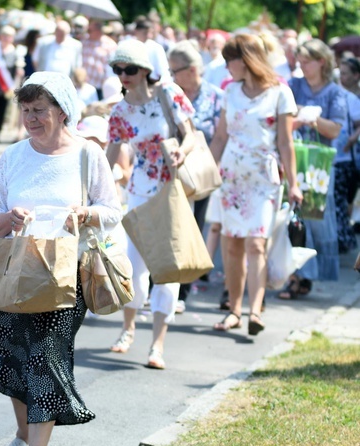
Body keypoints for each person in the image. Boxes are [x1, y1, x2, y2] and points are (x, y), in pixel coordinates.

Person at [0, 71, 122, 446]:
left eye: (39, 110)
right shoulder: (13, 156)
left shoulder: (87, 156)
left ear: (62, 111)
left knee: (45, 359)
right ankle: (23, 434)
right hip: (12, 268)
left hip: (65, 274)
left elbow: (112, 211)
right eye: (25, 110)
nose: (31, 118)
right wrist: (7, 219)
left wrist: (85, 213)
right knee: (8, 356)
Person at [106, 39, 196, 369]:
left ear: (146, 70)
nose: (123, 75)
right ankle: (128, 329)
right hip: (140, 193)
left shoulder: (169, 94)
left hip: (172, 192)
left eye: (129, 69)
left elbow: (190, 134)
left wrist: (181, 152)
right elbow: (110, 155)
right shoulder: (120, 111)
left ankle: (157, 345)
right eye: (118, 69)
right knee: (132, 268)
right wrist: (99, 193)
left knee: (167, 272)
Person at [208, 34, 301, 333]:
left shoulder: (280, 93)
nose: (226, 68)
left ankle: (256, 311)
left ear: (244, 59)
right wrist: (208, 171)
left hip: (263, 177)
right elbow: (220, 137)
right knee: (231, 244)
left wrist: (295, 183)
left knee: (256, 243)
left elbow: (286, 143)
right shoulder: (230, 92)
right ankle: (235, 309)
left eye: (228, 61)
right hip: (231, 176)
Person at [278, 39, 345, 299]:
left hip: (320, 167)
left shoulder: (334, 92)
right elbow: (282, 120)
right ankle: (296, 277)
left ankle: (309, 276)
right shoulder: (293, 85)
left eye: (307, 61)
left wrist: (311, 118)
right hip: (294, 160)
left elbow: (335, 129)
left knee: (316, 221)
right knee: (294, 220)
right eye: (300, 61)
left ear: (322, 62)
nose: (301, 66)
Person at [167, 40, 224, 312]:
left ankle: (183, 290)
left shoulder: (215, 97)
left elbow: (221, 135)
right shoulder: (169, 94)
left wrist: (206, 163)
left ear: (191, 70)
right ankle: (162, 285)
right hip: (169, 170)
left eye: (174, 70)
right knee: (168, 228)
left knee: (193, 228)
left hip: (200, 171)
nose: (170, 76)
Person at [339, 56, 360, 239]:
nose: (342, 77)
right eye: (340, 73)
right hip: (344, 154)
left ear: (356, 75)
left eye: (345, 73)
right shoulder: (338, 93)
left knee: (350, 194)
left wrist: (353, 139)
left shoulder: (354, 98)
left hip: (353, 154)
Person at [81, 19, 116, 101]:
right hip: (83, 86)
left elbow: (111, 69)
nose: (87, 32)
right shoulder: (84, 41)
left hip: (99, 88)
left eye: (89, 30)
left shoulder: (110, 45)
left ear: (98, 30)